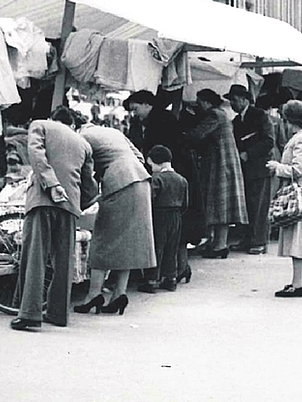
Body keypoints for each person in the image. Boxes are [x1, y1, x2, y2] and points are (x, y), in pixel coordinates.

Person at [10, 107, 98, 331]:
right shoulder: (83, 143)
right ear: (71, 124)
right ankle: (58, 313)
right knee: (63, 262)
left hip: (43, 199)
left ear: (53, 119)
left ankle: (30, 313)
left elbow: (37, 156)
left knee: (35, 256)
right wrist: (78, 203)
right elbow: (89, 185)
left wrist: (52, 184)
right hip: (69, 205)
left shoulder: (40, 125)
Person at [71, 111, 157, 316]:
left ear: (74, 125)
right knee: (126, 242)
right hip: (140, 181)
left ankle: (93, 295)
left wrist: (85, 201)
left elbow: (85, 176)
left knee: (103, 240)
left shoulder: (81, 137)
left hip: (119, 183)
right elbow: (139, 156)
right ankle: (119, 295)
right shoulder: (111, 131)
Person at [183, 89, 248, 258]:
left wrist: (183, 132)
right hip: (225, 162)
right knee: (220, 204)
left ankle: (219, 245)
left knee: (219, 203)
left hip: (220, 164)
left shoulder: (214, 115)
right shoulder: (222, 114)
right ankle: (217, 243)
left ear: (206, 102)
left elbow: (197, 135)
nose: (198, 106)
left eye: (199, 102)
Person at [266, 100, 302, 297]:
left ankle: (297, 284)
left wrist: (277, 167)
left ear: (291, 120)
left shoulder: (301, 139)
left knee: (299, 239)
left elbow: (298, 169)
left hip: (301, 191)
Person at [225, 84, 275, 255]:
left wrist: (249, 153)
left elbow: (269, 141)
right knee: (246, 205)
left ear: (245, 100)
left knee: (260, 206)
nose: (232, 104)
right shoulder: (236, 122)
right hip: (244, 170)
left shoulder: (261, 116)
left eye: (235, 100)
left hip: (260, 168)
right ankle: (247, 239)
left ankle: (259, 241)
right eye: (231, 101)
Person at [143, 145, 190, 292]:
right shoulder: (182, 180)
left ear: (157, 162)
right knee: (172, 248)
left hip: (159, 215)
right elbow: (185, 203)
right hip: (176, 216)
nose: (151, 168)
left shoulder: (156, 179)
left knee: (156, 248)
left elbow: (150, 199)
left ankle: (151, 280)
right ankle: (171, 279)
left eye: (151, 165)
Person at [123, 89, 179, 158]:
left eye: (135, 109)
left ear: (146, 104)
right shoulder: (137, 123)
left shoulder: (165, 119)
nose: (134, 113)